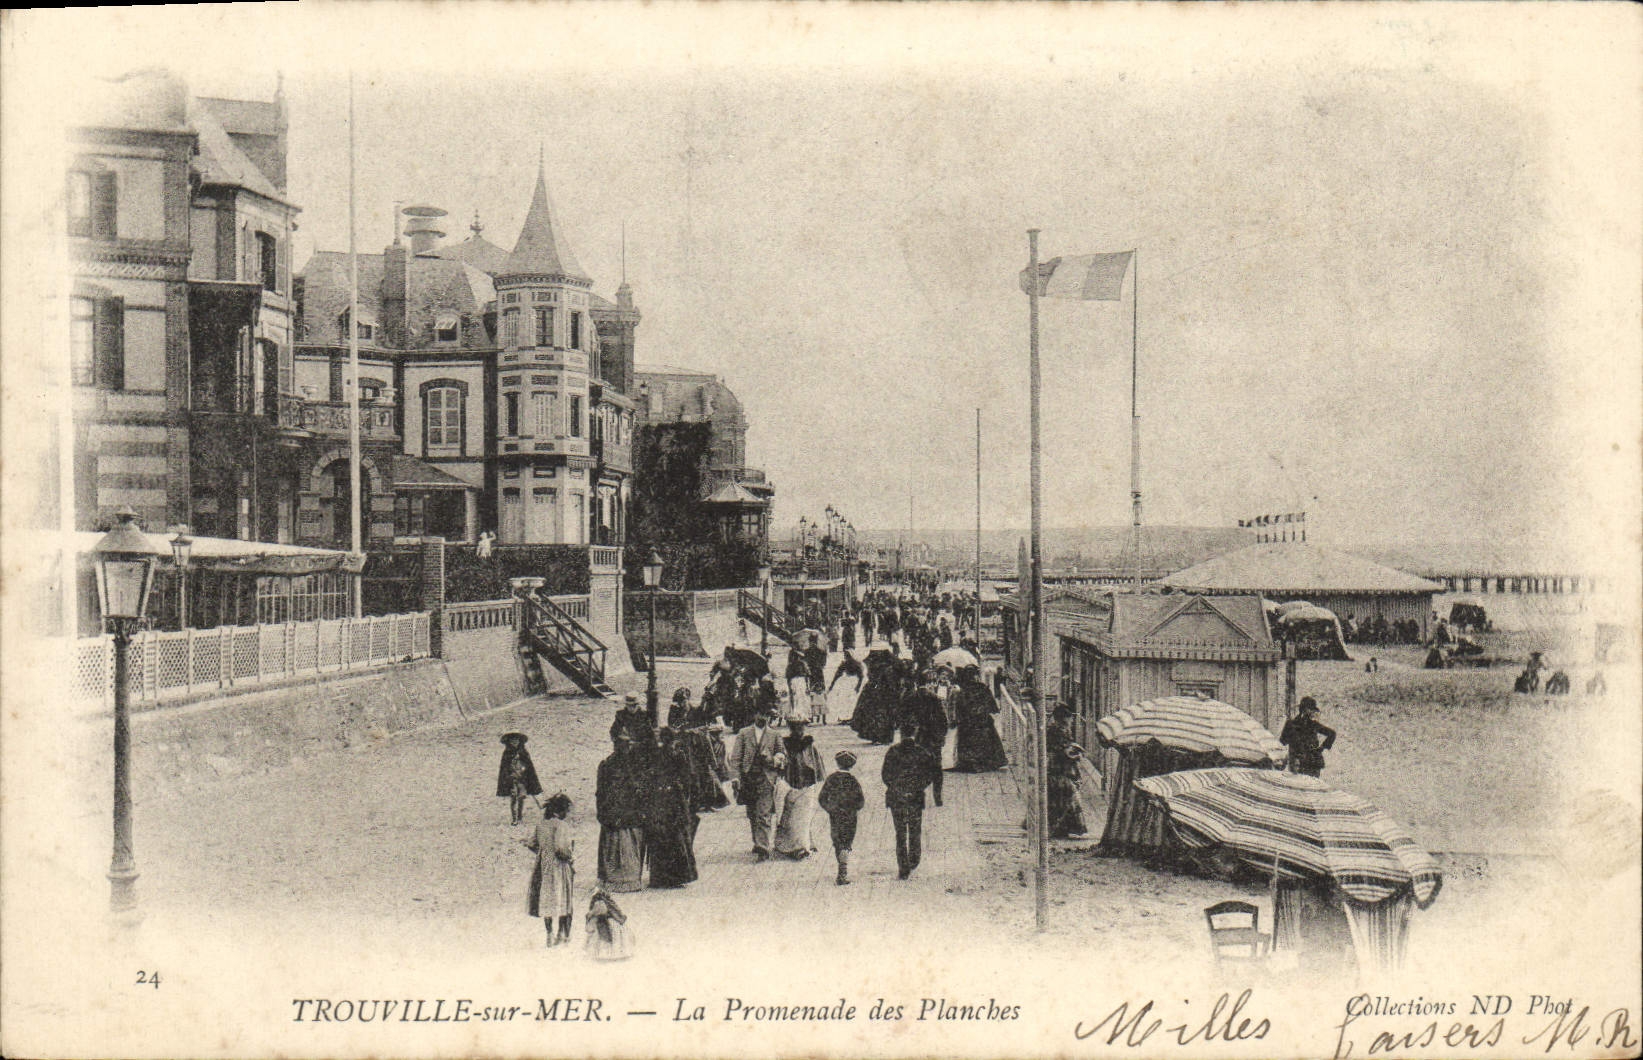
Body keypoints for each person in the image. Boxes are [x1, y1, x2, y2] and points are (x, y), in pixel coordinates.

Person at [882, 724, 941, 879]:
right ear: (915, 733)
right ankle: (914, 859)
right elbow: (930, 775)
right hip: (915, 797)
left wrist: (896, 787)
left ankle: (903, 867)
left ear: (900, 733)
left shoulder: (893, 752)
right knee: (915, 829)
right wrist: (918, 787)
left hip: (896, 797)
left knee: (900, 832)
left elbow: (885, 775)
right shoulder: (922, 753)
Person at [644, 729, 699, 888]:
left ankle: (660, 877)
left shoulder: (657, 755)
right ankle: (677, 876)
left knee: (660, 837)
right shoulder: (678, 755)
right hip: (674, 802)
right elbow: (687, 779)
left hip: (662, 802)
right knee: (676, 838)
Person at [594, 731, 649, 891]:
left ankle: (627, 880)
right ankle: (618, 880)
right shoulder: (607, 765)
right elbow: (601, 791)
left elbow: (642, 789)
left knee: (625, 845)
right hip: (618, 813)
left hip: (628, 814)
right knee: (617, 846)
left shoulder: (635, 765)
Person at [522, 793, 575, 946]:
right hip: (559, 867)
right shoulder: (561, 826)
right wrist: (569, 857)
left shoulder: (541, 825)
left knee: (547, 899)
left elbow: (532, 844)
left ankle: (549, 934)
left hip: (543, 866)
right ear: (560, 811)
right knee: (563, 899)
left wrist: (543, 852)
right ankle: (561, 934)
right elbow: (560, 848)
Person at [730, 709, 783, 860]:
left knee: (763, 813)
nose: (764, 717)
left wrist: (773, 759)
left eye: (766, 715)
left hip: (766, 778)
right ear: (754, 715)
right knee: (752, 813)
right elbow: (736, 757)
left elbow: (782, 755)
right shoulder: (744, 733)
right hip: (748, 779)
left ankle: (763, 848)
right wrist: (735, 777)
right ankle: (757, 841)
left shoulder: (774, 734)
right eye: (761, 714)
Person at [773, 716, 826, 859]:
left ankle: (801, 846)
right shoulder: (784, 744)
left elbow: (816, 763)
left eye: (801, 727)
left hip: (806, 784)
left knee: (803, 815)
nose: (799, 730)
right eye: (795, 727)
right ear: (791, 728)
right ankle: (786, 843)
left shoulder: (809, 744)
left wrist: (815, 777)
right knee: (789, 814)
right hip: (789, 784)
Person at [896, 670, 950, 805]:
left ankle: (918, 794)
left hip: (916, 738)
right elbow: (944, 720)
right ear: (928, 683)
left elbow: (901, 718)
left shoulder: (910, 698)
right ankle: (938, 797)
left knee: (916, 766)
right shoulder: (935, 698)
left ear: (915, 683)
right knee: (937, 767)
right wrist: (942, 736)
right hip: (933, 737)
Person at [817, 750, 865, 885]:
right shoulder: (853, 780)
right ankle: (842, 872)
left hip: (835, 816)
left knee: (837, 841)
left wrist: (830, 809)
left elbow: (822, 798)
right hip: (850, 816)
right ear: (851, 765)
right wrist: (853, 809)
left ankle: (841, 868)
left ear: (837, 763)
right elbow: (860, 801)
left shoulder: (831, 778)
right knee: (846, 842)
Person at [950, 665, 1008, 773]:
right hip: (982, 722)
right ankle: (987, 761)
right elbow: (993, 708)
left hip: (968, 724)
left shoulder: (962, 690)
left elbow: (959, 709)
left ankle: (971, 762)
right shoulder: (983, 688)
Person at [1047, 705, 1087, 838]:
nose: (1071, 721)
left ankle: (1059, 826)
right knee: (1066, 795)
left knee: (1057, 796)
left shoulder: (1056, 729)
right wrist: (1076, 754)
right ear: (1064, 719)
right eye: (1069, 718)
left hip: (1056, 766)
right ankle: (1062, 827)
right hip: (1060, 767)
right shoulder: (1060, 730)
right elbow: (1062, 750)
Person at [1280, 697, 1337, 777]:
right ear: (1305, 709)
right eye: (1311, 709)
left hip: (1310, 763)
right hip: (1299, 764)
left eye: (1313, 710)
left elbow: (1332, 733)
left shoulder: (1311, 724)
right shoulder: (1292, 724)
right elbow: (1283, 742)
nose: (1313, 712)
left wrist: (1322, 747)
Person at [496, 733, 543, 825]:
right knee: (513, 798)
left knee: (521, 797)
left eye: (516, 740)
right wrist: (509, 775)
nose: (515, 742)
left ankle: (520, 817)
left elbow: (528, 766)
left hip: (522, 779)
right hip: (512, 779)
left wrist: (524, 772)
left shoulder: (523, 752)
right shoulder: (506, 753)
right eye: (512, 741)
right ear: (509, 742)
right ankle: (514, 819)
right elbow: (504, 768)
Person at [585, 888, 634, 960]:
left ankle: (607, 954)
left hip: (607, 922)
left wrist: (590, 914)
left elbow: (601, 912)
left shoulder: (599, 903)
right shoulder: (609, 903)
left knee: (602, 935)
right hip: (612, 920)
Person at [804, 634, 830, 724]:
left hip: (813, 673)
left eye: (812, 642)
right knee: (818, 693)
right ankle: (819, 716)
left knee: (814, 694)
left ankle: (815, 716)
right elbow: (824, 663)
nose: (812, 643)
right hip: (817, 673)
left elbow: (805, 663)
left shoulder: (807, 651)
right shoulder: (821, 651)